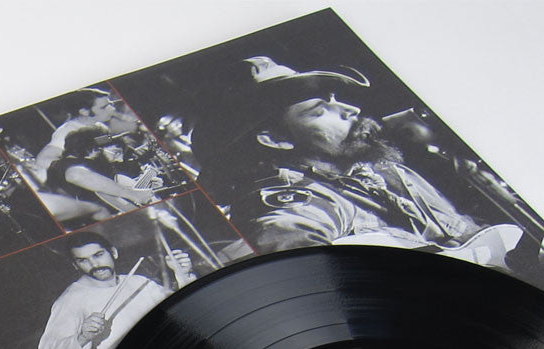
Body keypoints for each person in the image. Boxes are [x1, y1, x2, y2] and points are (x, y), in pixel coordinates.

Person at [199, 56, 519, 266]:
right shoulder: (297, 196)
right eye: (319, 111)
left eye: (337, 100)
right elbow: (293, 251)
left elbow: (477, 238)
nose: (351, 110)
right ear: (275, 139)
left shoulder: (391, 172)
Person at [38, 230, 195, 349]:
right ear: (75, 265)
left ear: (113, 252)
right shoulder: (72, 298)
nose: (94, 265)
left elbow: (182, 309)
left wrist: (183, 274)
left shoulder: (138, 281)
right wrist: (83, 337)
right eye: (83, 260)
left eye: (98, 255)